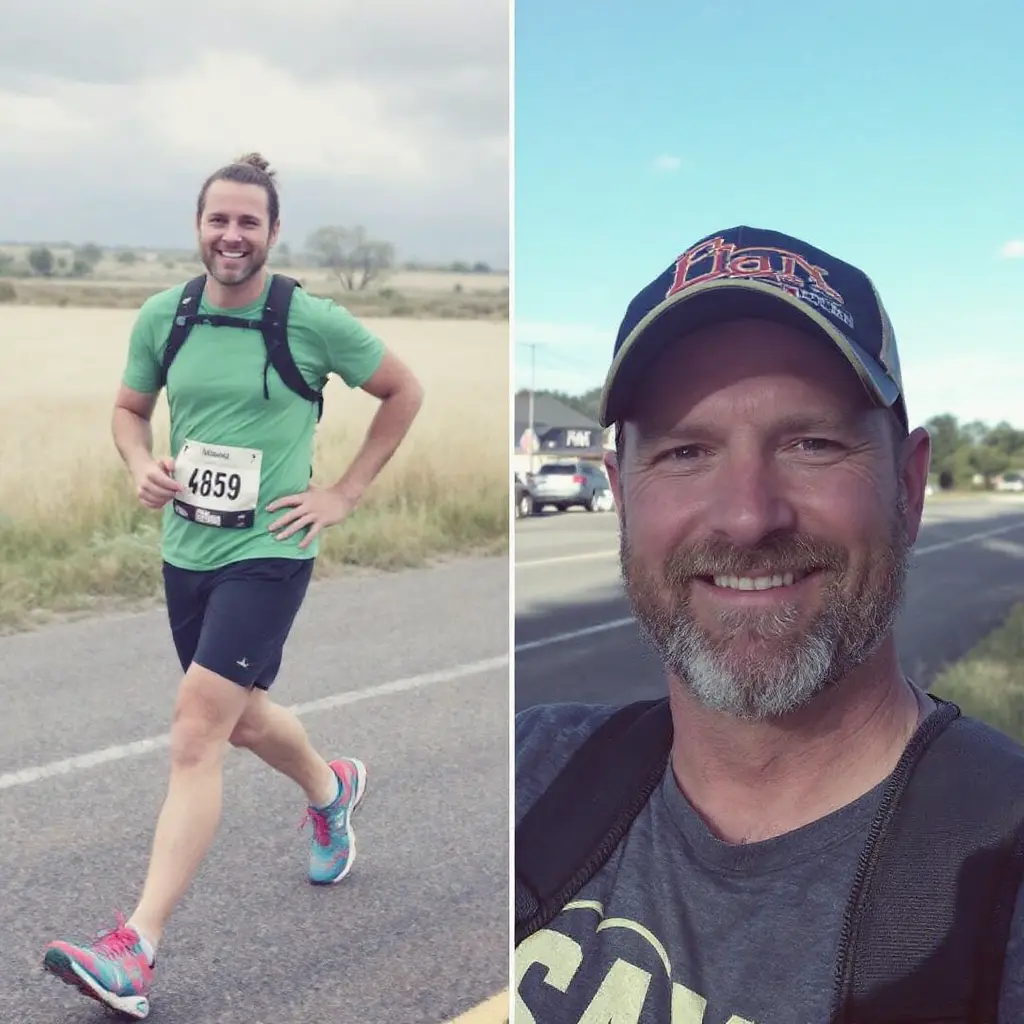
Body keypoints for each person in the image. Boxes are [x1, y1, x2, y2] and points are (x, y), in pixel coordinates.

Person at [514, 226, 1024, 1022]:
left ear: (910, 486)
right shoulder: (532, 773)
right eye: (685, 452)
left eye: (812, 443)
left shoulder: (998, 876)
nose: (748, 517)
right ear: (620, 490)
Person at [41, 153, 424, 1019]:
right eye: (219, 219)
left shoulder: (308, 319)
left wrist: (344, 492)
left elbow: (403, 390)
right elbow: (129, 409)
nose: (232, 235)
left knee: (194, 732)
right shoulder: (165, 316)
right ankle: (332, 791)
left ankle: (135, 949)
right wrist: (141, 463)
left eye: (250, 221)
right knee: (240, 716)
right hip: (187, 551)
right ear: (198, 225)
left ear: (273, 232)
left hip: (271, 550)